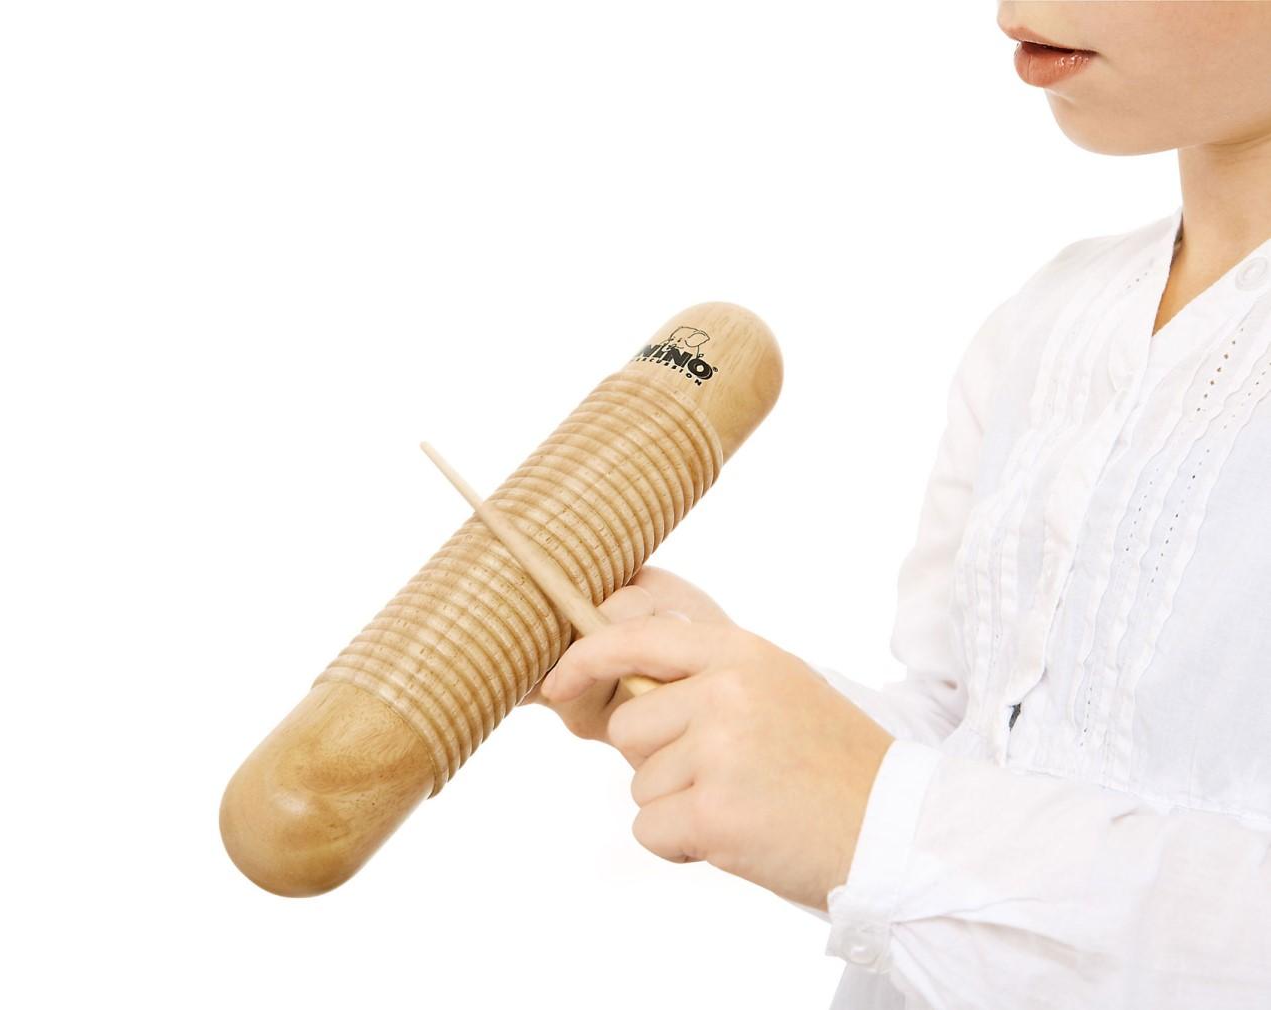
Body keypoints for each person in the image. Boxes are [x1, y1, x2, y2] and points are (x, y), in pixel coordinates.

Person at [521, 3, 1271, 1007]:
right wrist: (717, 683)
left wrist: (877, 820)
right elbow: (974, 740)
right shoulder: (1048, 320)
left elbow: (910, 823)